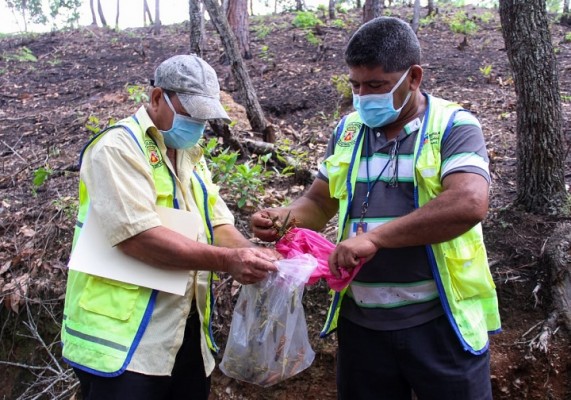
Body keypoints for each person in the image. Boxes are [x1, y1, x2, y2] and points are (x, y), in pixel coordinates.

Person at [251, 17, 501, 400]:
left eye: (377, 85)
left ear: (414, 77)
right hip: (362, 327)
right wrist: (283, 219)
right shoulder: (348, 131)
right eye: (356, 85)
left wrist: (377, 239)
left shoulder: (452, 125)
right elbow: (319, 201)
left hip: (439, 322)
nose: (363, 96)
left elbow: (468, 202)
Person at [61, 54, 278, 400]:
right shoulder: (117, 148)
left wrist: (252, 254)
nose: (198, 126)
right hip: (120, 343)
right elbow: (138, 237)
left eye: (204, 118)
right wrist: (227, 261)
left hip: (182, 332)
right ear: (158, 97)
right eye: (191, 115)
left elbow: (216, 222)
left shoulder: (190, 152)